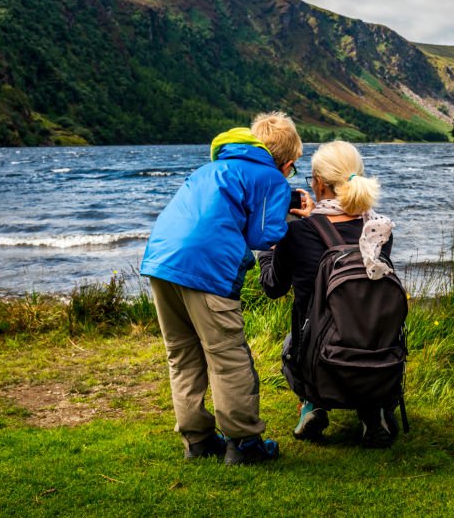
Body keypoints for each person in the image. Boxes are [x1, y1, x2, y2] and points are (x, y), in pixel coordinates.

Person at [140, 111, 304, 465]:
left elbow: (228, 209)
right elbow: (263, 236)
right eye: (292, 170)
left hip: (161, 262)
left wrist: (278, 203)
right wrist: (288, 213)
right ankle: (244, 443)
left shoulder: (210, 170)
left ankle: (197, 440)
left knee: (182, 355)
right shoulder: (272, 179)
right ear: (287, 164)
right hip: (207, 270)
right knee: (228, 356)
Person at [258, 140, 399, 448]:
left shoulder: (299, 231)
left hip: (318, 357)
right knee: (360, 326)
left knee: (290, 345)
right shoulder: (379, 230)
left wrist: (269, 251)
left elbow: (272, 287)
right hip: (376, 350)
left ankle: (312, 404)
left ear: (318, 183)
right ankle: (372, 411)